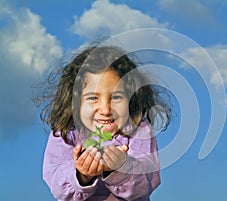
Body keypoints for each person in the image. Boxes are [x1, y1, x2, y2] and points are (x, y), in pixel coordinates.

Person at [39, 45, 171, 201]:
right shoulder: (66, 132)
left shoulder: (138, 129)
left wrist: (122, 167)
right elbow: (57, 184)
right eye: (93, 98)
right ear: (75, 102)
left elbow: (147, 183)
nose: (106, 109)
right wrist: (81, 174)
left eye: (116, 97)